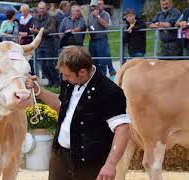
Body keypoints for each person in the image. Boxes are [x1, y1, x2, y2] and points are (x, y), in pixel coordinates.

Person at [25, 46, 130, 180]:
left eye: (67, 75)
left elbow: (123, 128)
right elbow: (63, 106)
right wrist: (38, 90)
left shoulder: (110, 92)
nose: (63, 78)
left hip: (90, 166)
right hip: (61, 160)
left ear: (82, 72)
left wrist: (110, 164)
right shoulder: (70, 83)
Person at [31, 1, 59, 87]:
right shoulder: (35, 18)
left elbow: (50, 30)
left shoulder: (51, 18)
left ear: (46, 8)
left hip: (49, 43)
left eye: (43, 8)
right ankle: (50, 80)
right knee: (42, 64)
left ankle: (57, 81)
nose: (41, 10)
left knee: (49, 63)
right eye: (40, 8)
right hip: (39, 44)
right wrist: (33, 30)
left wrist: (38, 31)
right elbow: (35, 27)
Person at [88, 0, 116, 77]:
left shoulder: (105, 14)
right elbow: (89, 24)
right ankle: (95, 77)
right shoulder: (90, 14)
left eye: (94, 6)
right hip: (92, 40)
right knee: (93, 60)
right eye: (92, 6)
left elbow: (106, 25)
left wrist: (98, 16)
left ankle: (103, 78)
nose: (93, 8)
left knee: (102, 61)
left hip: (101, 39)